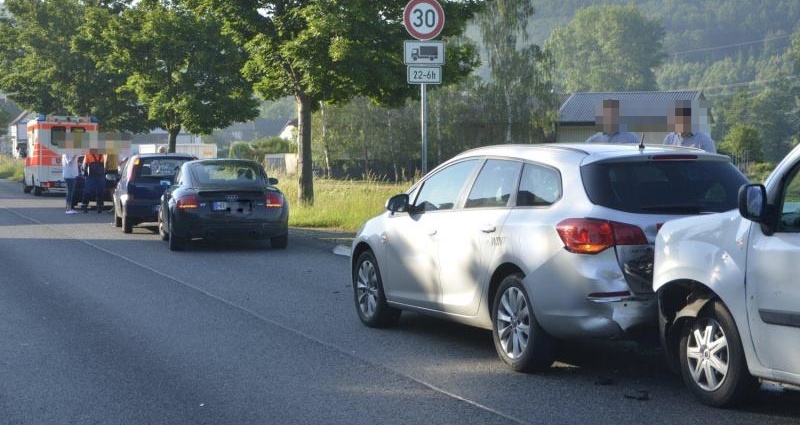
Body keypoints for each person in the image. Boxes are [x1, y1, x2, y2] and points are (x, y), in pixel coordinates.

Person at [81, 148, 105, 213]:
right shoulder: (88, 154)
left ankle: (100, 207)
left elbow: (106, 163)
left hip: (101, 175)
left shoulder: (104, 154)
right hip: (91, 175)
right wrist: (85, 172)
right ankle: (84, 205)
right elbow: (84, 165)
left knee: (100, 190)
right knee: (88, 190)